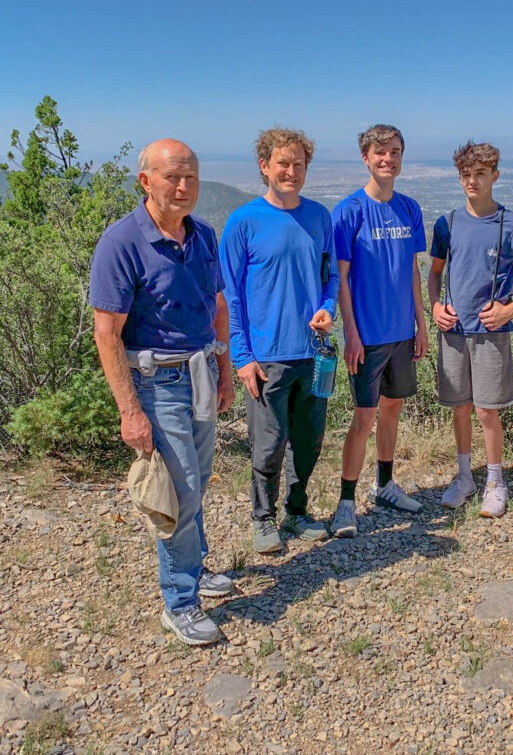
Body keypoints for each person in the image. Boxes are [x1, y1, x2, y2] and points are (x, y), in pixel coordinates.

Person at [90, 139, 235, 646]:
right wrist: (130, 412)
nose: (183, 186)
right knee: (180, 490)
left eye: (191, 176)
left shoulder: (201, 234)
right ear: (145, 181)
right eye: (173, 176)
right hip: (155, 382)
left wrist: (225, 367)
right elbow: (106, 333)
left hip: (199, 372)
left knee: (198, 482)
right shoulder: (121, 242)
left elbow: (216, 304)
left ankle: (194, 569)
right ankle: (180, 601)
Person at [219, 128, 339, 554]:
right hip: (266, 357)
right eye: (283, 164)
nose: (291, 171)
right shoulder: (243, 221)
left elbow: (331, 276)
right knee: (268, 444)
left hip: (312, 352)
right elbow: (230, 293)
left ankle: (297, 511)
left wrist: (329, 308)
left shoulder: (319, 217)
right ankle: (262, 517)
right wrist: (242, 355)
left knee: (308, 441)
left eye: (298, 165)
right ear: (264, 167)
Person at [427, 141, 513, 518]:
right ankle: (465, 477)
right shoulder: (447, 223)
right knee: (460, 408)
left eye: (480, 174)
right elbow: (434, 273)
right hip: (454, 330)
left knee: (486, 411)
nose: (472, 181)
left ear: (495, 176)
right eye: (466, 175)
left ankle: (495, 481)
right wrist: (435, 306)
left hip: (490, 332)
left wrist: (509, 308)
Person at [329, 125, 428, 537]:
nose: (388, 159)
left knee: (392, 410)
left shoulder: (409, 208)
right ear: (366, 158)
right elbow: (341, 278)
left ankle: (384, 484)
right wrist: (350, 333)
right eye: (380, 153)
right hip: (366, 335)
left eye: (396, 152)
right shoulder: (349, 211)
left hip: (401, 332)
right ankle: (346, 503)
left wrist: (422, 327)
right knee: (363, 417)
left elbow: (412, 272)